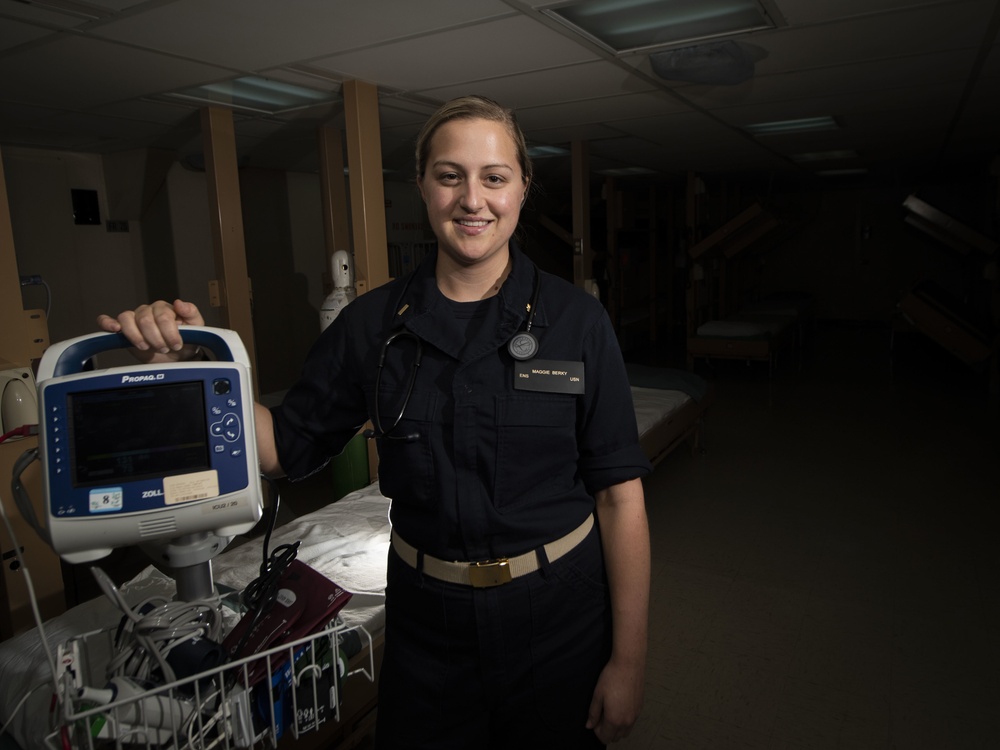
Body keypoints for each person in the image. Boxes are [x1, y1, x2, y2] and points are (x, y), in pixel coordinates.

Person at [98, 95, 651, 748]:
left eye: (494, 177)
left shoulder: (578, 323)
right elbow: (283, 448)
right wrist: (190, 367)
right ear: (422, 185)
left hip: (559, 617)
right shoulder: (370, 326)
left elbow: (619, 499)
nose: (473, 198)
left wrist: (628, 661)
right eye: (450, 175)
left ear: (522, 188)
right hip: (427, 627)